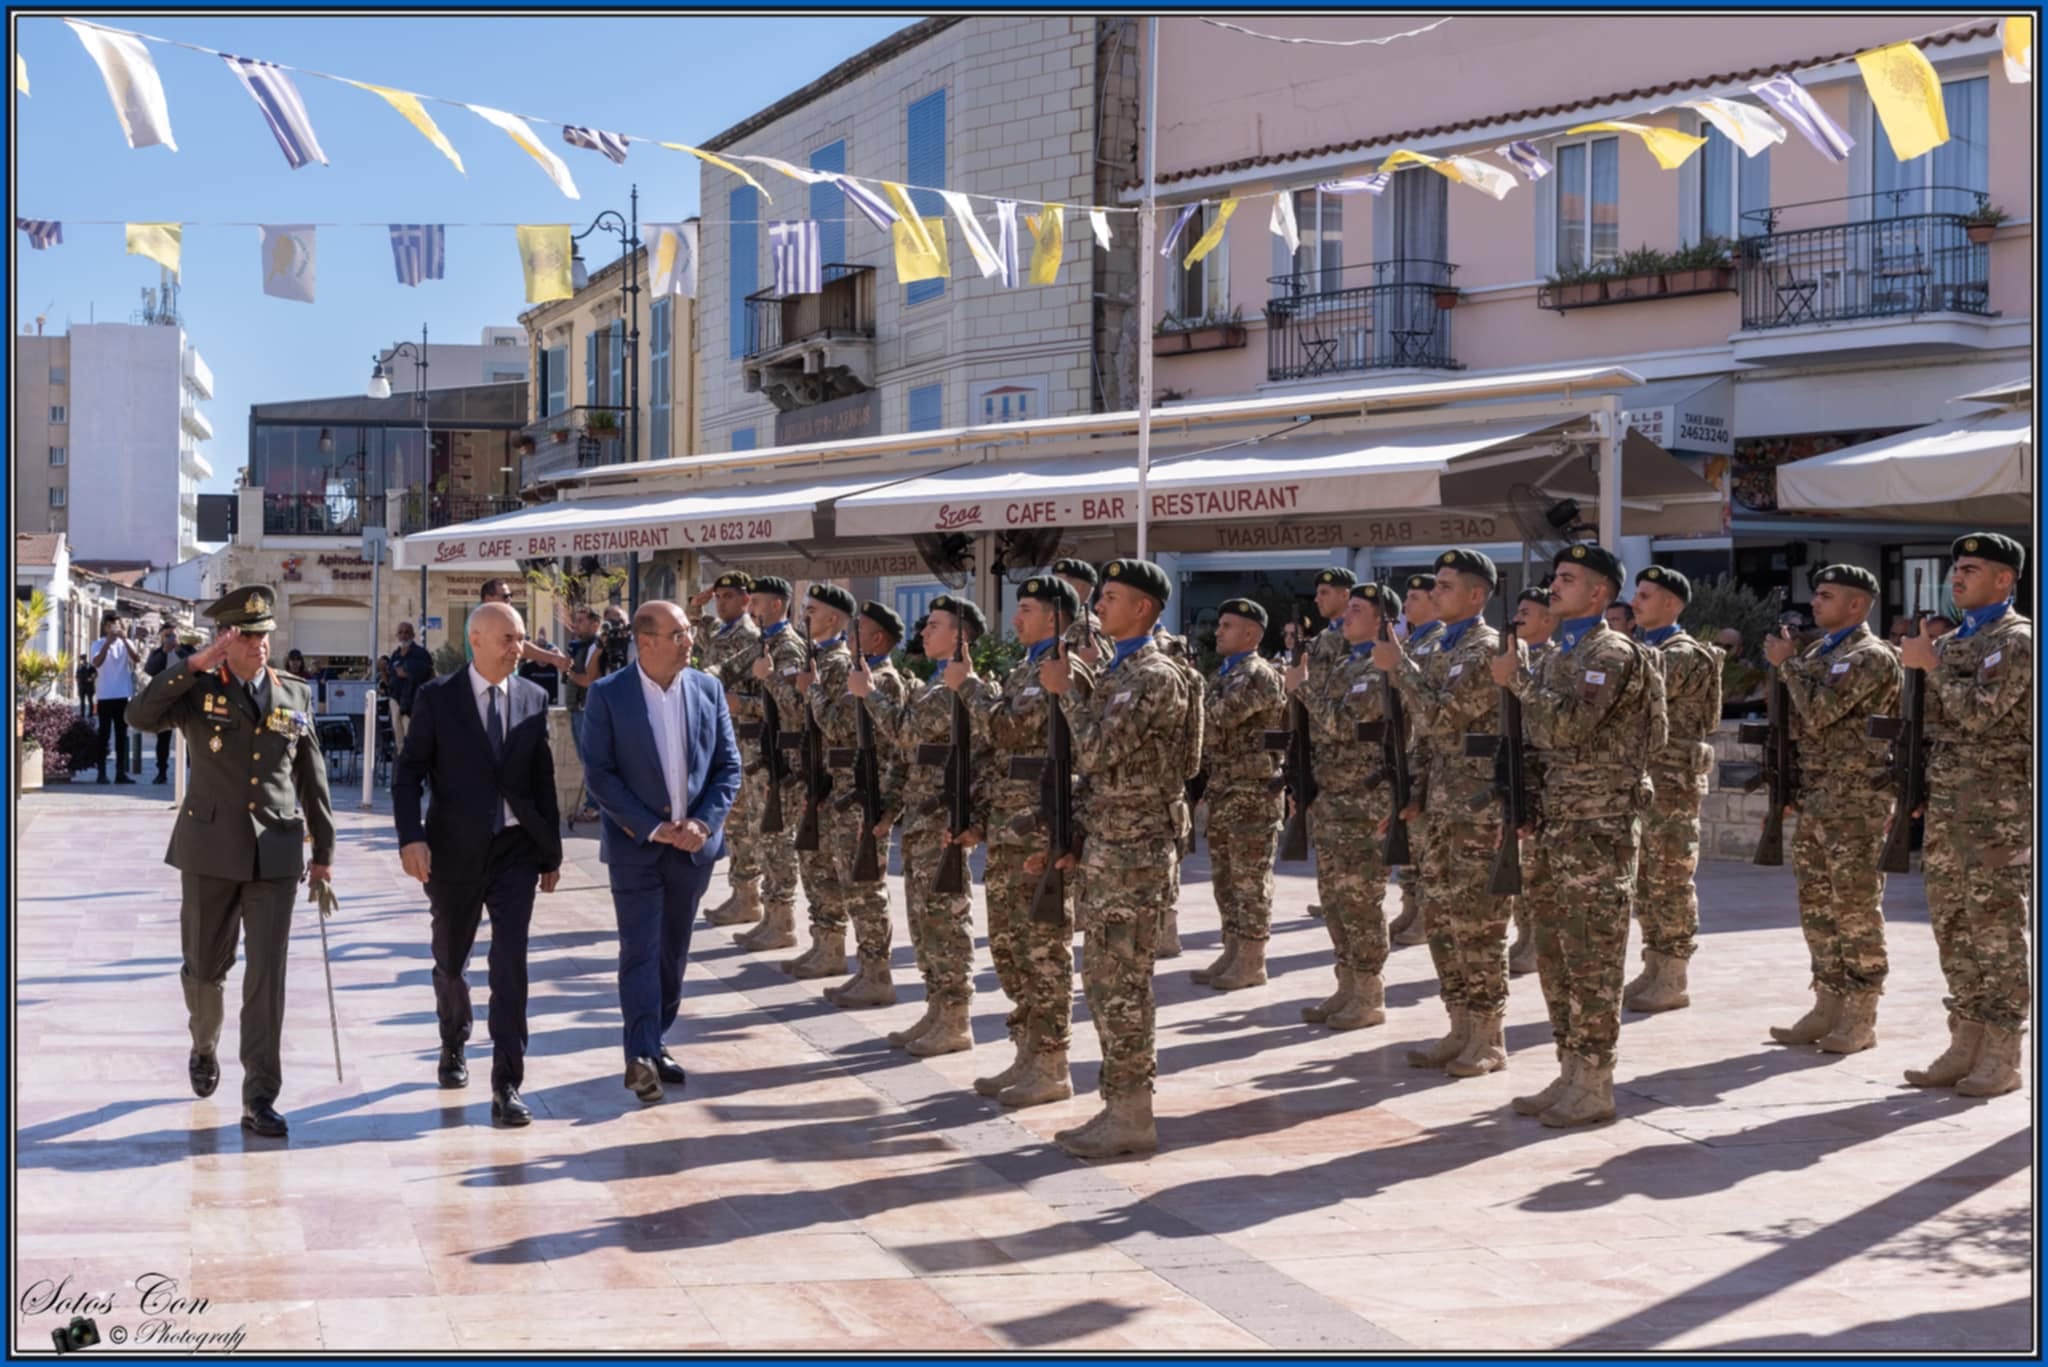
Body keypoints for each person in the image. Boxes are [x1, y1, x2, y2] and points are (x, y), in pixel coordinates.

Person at [124, 586, 336, 1138]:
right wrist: (190, 664)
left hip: (277, 854)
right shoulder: (197, 691)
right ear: (226, 639)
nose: (259, 645)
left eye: (263, 635)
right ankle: (203, 1043)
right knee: (204, 970)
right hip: (210, 851)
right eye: (247, 636)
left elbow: (312, 782)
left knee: (267, 979)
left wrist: (325, 854)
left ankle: (260, 1096)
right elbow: (139, 716)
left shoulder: (295, 694)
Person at [1494, 544, 1665, 1128]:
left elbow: (1566, 728)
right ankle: (1569, 1068)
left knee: (1591, 956)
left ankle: (1595, 1083)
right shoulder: (1556, 654)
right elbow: (1537, 746)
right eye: (1555, 577)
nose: (1554, 586)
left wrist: (1516, 683)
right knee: (1554, 953)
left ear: (1598, 594)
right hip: (1554, 825)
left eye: (1567, 579)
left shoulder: (1609, 653)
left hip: (1597, 828)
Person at [1035, 558, 1195, 1158]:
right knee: (1104, 982)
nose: (1098, 606)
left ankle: (1132, 1115)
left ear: (1144, 609)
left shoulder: (1153, 675)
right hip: (1110, 845)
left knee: (1123, 986)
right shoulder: (1120, 668)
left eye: (1111, 597)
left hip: (1135, 853)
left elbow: (1098, 752)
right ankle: (1118, 1107)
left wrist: (1068, 694)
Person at [392, 602, 562, 1126]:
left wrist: (550, 851)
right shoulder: (438, 698)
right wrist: (411, 838)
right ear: (479, 640)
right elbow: (409, 772)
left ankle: (507, 1083)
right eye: (510, 639)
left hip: (514, 851)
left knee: (510, 965)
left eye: (521, 638)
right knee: (451, 958)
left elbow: (541, 779)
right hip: (454, 852)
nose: (519, 648)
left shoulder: (534, 697)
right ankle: (453, 1039)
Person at [579, 601, 740, 1104]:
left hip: (693, 848)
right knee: (640, 950)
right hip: (636, 847)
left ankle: (656, 1037)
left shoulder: (707, 689)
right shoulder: (608, 696)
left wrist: (701, 822)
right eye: (678, 634)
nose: (689, 641)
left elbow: (727, 768)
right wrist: (651, 828)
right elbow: (600, 773)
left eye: (688, 632)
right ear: (645, 642)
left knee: (673, 953)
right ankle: (642, 1055)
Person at [1900, 533, 2031, 1097]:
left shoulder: (2017, 641)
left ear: (2004, 579)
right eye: (1955, 567)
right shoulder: (1955, 642)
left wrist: (1930, 668)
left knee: (1997, 929)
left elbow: (1979, 715)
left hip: (1996, 810)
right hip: (1950, 805)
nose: (1957, 576)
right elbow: (1931, 728)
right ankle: (1965, 1039)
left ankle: (2002, 1053)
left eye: (1971, 568)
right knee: (1953, 928)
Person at [1759, 565, 1900, 1056]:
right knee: (1817, 906)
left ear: (1857, 606)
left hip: (1856, 800)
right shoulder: (1819, 653)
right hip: (1818, 798)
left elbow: (1819, 713)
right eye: (1816, 594)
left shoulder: (1871, 656)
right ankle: (1827, 1001)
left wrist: (1787, 666)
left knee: (1856, 907)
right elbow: (1794, 723)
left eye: (1826, 595)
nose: (1815, 603)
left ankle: (1861, 1014)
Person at [1381, 550, 1510, 1077]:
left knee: (1478, 923)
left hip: (1477, 808)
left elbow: (1439, 715)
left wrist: (1400, 669)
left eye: (1446, 586)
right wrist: (1410, 788)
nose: (1434, 593)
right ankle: (1458, 1025)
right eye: (1435, 585)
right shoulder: (1435, 645)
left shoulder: (1489, 650)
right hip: (1438, 804)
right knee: (1440, 918)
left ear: (1476, 596)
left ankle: (1489, 1035)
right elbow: (1424, 737)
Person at [960, 575, 1081, 1105]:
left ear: (1055, 618)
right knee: (1010, 953)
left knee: (1043, 953)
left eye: (1026, 609)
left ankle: (1052, 1064)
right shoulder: (1023, 671)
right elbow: (998, 753)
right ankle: (1026, 1053)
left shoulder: (1063, 671)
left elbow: (1004, 730)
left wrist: (968, 687)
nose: (1016, 619)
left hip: (1039, 832)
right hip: (1008, 832)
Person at [858, 596, 984, 1053]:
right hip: (920, 819)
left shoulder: (960, 686)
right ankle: (936, 1009)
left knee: (946, 922)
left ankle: (955, 1019)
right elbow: (909, 757)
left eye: (935, 626)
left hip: (943, 820)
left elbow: (903, 734)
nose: (924, 633)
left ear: (961, 636)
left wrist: (868, 694)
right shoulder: (934, 685)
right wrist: (890, 807)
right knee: (924, 921)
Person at [1286, 582, 1400, 1031]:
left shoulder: (1378, 667)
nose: (1346, 616)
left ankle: (1369, 993)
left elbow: (1344, 727)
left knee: (1361, 901)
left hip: (1363, 800)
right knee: (1333, 899)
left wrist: (1304, 689)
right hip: (1332, 796)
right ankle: (1347, 984)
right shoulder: (1342, 665)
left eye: (1356, 609)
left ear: (1380, 621)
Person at [1624, 566, 1723, 1014]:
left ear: (1671, 604)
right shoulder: (1645, 647)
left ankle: (1674, 974)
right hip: (1646, 782)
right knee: (1647, 879)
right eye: (1636, 594)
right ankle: (1653, 964)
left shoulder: (1683, 654)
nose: (1635, 602)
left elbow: (1635, 695)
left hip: (1672, 784)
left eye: (1645, 595)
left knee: (1670, 878)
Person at [1191, 598, 1286, 992]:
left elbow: (1212, 723)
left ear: (1252, 635)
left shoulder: (1258, 675)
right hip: (1225, 791)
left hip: (1253, 794)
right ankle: (1231, 950)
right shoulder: (1225, 674)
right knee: (1225, 880)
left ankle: (1252, 960)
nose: (1218, 631)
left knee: (1250, 882)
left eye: (1227, 626)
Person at [824, 600, 912, 1005]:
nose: (849, 637)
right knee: (853, 885)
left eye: (857, 631)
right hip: (851, 792)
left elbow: (836, 725)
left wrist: (812, 693)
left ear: (877, 639)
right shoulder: (862, 675)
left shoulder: (884, 680)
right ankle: (866, 968)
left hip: (870, 793)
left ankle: (878, 973)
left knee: (867, 888)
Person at [724, 577, 808, 953]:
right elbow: (727, 669)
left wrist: (746, 704)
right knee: (760, 833)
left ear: (776, 605)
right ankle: (768, 915)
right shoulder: (763, 642)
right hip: (756, 753)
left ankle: (782, 920)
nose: (751, 608)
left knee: (776, 837)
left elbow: (792, 706)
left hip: (779, 759)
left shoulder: (788, 647)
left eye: (756, 601)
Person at [690, 573, 765, 929]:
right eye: (718, 596)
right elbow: (692, 629)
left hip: (744, 740)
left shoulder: (749, 637)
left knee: (743, 821)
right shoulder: (720, 631)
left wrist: (741, 704)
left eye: (729, 597)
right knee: (734, 822)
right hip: (722, 735)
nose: (721, 603)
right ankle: (741, 894)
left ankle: (748, 895)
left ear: (746, 601)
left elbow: (760, 695)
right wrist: (697, 605)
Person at [1504, 586, 1557, 976]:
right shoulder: (1509, 659)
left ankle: (1539, 939)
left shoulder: (1554, 661)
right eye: (1518, 611)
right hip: (1514, 768)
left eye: (1527, 612)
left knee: (1539, 868)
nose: (1519, 617)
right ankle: (1524, 935)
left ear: (1548, 620)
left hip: (1542, 775)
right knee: (1520, 867)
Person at [1390, 572, 1443, 947]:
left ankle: (1424, 914)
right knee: (1409, 840)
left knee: (1424, 840)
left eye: (1414, 598)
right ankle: (1410, 905)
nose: (1406, 605)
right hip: (1405, 750)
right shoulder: (1411, 643)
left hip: (1425, 750)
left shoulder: (1438, 644)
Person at [91, 616, 142, 783]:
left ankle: (121, 773)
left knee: (121, 735)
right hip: (105, 695)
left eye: (117, 625)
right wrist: (107, 643)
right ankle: (102, 773)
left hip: (122, 694)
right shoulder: (98, 644)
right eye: (110, 626)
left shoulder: (125, 644)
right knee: (103, 735)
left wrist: (125, 639)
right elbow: (97, 663)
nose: (113, 628)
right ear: (105, 628)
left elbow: (137, 659)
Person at [143, 624, 196, 783]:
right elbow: (150, 670)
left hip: (185, 697)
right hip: (164, 699)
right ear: (161, 638)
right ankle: (161, 771)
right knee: (163, 738)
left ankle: (192, 768)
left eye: (173, 635)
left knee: (191, 736)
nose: (170, 639)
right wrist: (164, 653)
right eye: (167, 636)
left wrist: (179, 650)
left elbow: (195, 665)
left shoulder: (187, 650)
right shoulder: (158, 653)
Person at [386, 622, 435, 754]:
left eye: (407, 632)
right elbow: (391, 674)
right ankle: (403, 764)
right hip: (396, 701)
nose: (403, 635)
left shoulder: (420, 653)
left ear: (413, 635)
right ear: (397, 635)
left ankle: (414, 766)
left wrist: (408, 673)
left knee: (412, 738)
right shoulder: (395, 655)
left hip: (413, 703)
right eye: (401, 632)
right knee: (399, 740)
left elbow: (428, 672)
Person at [1051, 557, 1113, 660]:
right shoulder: (1062, 623)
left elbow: (1102, 669)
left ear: (1078, 588)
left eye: (1059, 585)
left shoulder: (1087, 629)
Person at [75, 652, 97, 719]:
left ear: (85, 658)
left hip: (89, 686)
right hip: (82, 686)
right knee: (82, 701)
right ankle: (82, 714)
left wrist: (91, 678)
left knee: (90, 700)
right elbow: (77, 674)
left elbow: (95, 673)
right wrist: (77, 681)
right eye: (81, 658)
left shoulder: (90, 666)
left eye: (83, 658)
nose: (82, 660)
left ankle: (90, 714)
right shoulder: (79, 666)